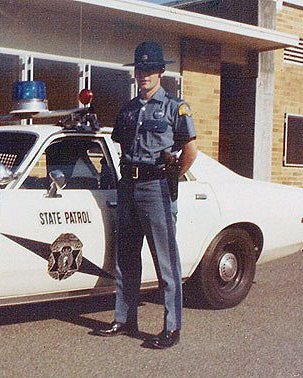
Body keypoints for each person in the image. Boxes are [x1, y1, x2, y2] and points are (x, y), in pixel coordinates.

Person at [96, 41, 197, 349]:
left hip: (157, 189)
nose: (144, 75)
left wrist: (170, 177)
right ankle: (125, 319)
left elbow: (190, 152)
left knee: (166, 262)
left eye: (150, 69)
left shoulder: (175, 107)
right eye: (140, 69)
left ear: (161, 72)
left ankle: (171, 328)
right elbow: (119, 148)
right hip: (128, 187)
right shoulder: (127, 109)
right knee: (126, 258)